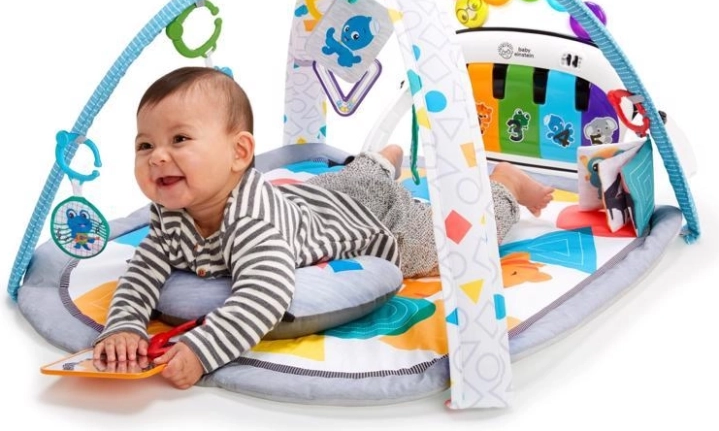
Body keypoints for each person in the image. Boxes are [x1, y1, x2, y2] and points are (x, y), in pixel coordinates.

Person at [93, 66, 553, 389]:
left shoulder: (252, 225)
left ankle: (504, 186)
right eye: (144, 145)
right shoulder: (171, 215)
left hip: (375, 224)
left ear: (240, 153)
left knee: (451, 243)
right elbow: (141, 273)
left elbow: (264, 294)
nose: (157, 156)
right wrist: (123, 326)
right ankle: (381, 161)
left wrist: (202, 350)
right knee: (352, 182)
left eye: (179, 139)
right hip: (320, 196)